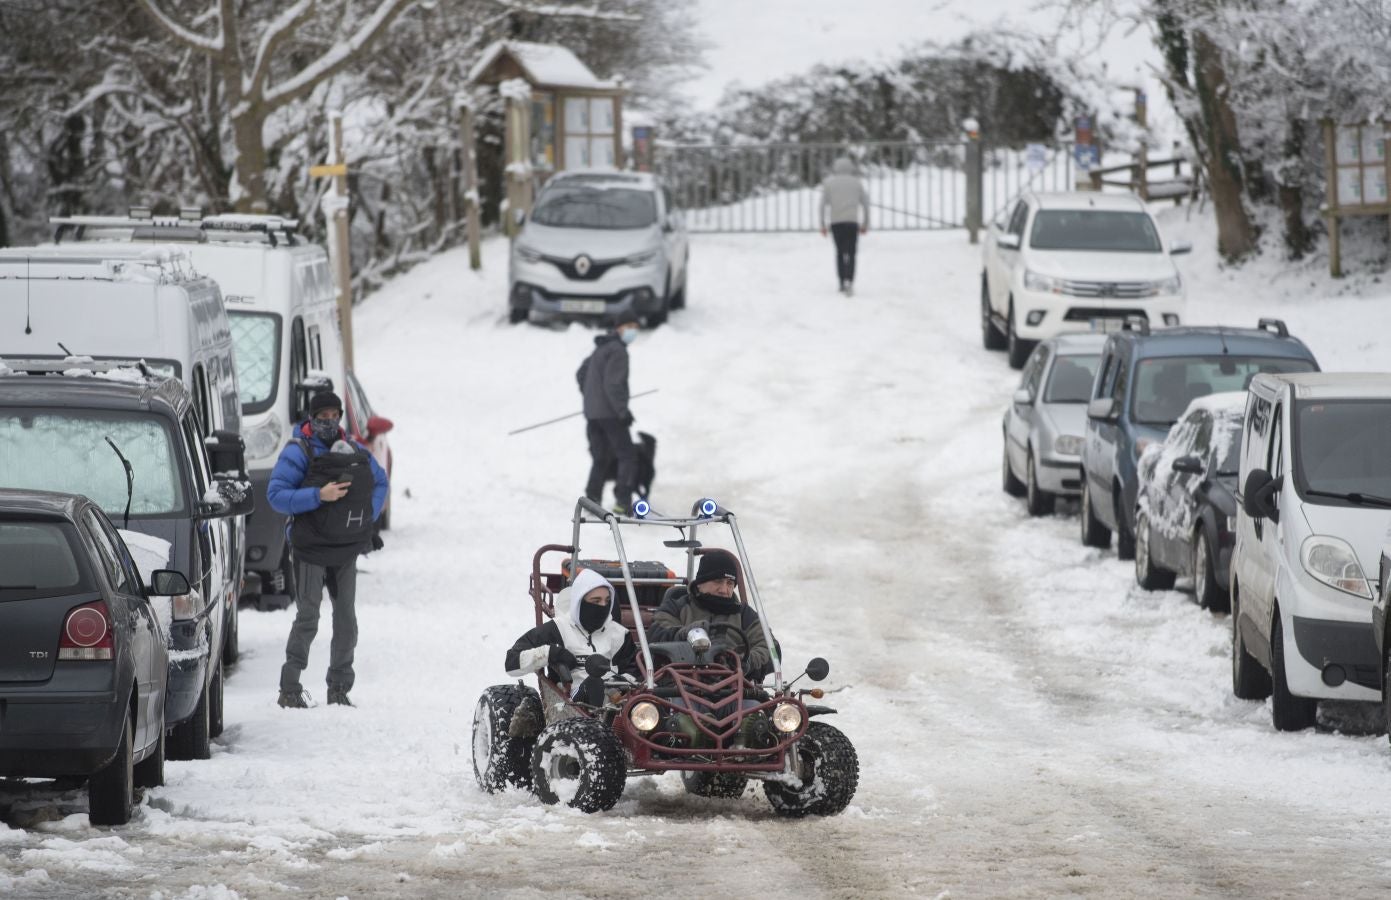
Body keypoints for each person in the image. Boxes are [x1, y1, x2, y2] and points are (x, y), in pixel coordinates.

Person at [268, 391, 388, 709]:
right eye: (322, 418)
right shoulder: (298, 452)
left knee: (346, 619)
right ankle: (290, 689)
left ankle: (339, 688)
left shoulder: (354, 449)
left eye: (334, 416)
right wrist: (318, 495)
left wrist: (364, 517)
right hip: (310, 548)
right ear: (311, 419)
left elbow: (381, 481)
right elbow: (276, 495)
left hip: (345, 547)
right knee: (308, 616)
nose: (329, 423)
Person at [504, 567, 640, 736]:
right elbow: (512, 662)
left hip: (617, 700)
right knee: (594, 684)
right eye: (596, 601)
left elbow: (634, 669)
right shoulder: (557, 630)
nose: (602, 606)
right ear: (579, 602)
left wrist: (619, 684)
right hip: (573, 701)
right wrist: (549, 653)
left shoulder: (618, 634)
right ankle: (598, 733)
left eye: (607, 601)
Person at [650, 552, 772, 679]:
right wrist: (688, 633)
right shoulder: (677, 607)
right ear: (700, 583)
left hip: (734, 685)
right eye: (718, 581)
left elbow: (770, 648)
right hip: (680, 684)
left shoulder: (744, 614)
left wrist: (744, 661)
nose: (724, 590)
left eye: (730, 583)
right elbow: (657, 634)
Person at [577, 316, 639, 514]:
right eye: (629, 326)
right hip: (611, 414)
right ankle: (623, 501)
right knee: (627, 456)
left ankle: (592, 500)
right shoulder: (618, 351)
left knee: (600, 457)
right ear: (618, 328)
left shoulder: (601, 347)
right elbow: (613, 384)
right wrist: (622, 411)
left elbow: (581, 373)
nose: (632, 331)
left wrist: (590, 397)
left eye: (635, 327)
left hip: (593, 414)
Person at [819, 157, 870, 296]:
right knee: (852, 253)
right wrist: (866, 224)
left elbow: (822, 205)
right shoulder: (857, 183)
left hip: (836, 223)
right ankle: (850, 281)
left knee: (840, 253)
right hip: (852, 223)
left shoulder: (829, 184)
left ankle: (841, 282)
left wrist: (822, 224)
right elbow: (865, 204)